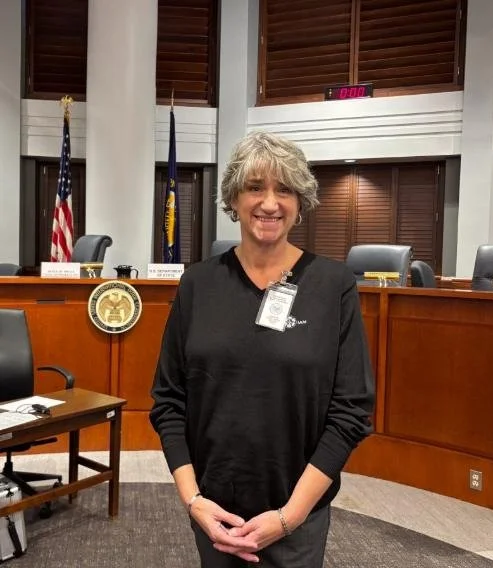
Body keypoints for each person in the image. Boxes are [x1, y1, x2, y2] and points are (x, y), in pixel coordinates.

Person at [149, 130, 375, 567]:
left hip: (297, 520)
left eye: (285, 189)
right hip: (214, 514)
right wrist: (194, 501)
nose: (270, 203)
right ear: (233, 198)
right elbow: (168, 400)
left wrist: (289, 517)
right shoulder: (198, 284)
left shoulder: (333, 286)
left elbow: (351, 411)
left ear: (301, 202)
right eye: (255, 187)